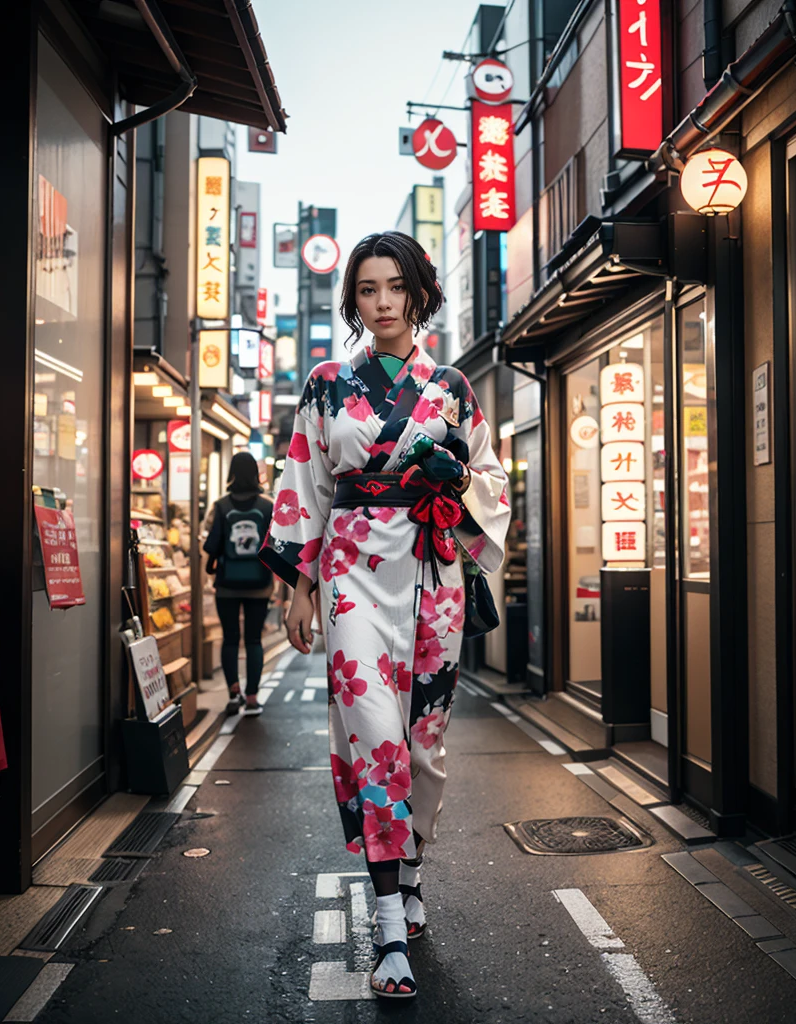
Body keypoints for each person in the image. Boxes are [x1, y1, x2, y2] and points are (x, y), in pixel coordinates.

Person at [260, 231, 509, 999]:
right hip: (349, 571)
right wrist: (298, 586)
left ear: (419, 293)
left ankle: (411, 869)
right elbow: (305, 478)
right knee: (373, 737)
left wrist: (458, 473)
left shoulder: (455, 387)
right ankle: (389, 924)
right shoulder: (328, 383)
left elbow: (492, 485)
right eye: (367, 290)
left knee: (423, 745)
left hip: (433, 570)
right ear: (354, 302)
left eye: (394, 287)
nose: (382, 303)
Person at [203, 451, 275, 717]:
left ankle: (234, 694)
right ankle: (254, 697)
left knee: (230, 638)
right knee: (254, 639)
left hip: (227, 584)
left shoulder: (221, 506)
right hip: (260, 583)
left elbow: (211, 543)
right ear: (256, 475)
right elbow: (275, 545)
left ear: (231, 473)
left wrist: (211, 566)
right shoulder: (268, 507)